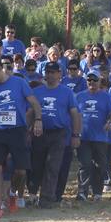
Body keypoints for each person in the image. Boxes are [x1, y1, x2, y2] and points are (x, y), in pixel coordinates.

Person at [0, 57, 41, 217]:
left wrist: (38, 121)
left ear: (1, 68)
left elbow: (35, 103)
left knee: (21, 171)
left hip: (18, 130)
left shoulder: (19, 83)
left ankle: (13, 191)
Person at [31, 63, 80, 207]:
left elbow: (75, 115)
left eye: (53, 72)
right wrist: (28, 129)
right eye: (48, 72)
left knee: (53, 165)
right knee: (37, 164)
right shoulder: (38, 92)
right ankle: (33, 194)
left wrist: (76, 135)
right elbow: (30, 112)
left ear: (59, 74)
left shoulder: (67, 92)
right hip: (40, 132)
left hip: (59, 133)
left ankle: (47, 198)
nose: (50, 75)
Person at [74, 73, 111, 201]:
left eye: (94, 80)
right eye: (89, 80)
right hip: (84, 137)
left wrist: (109, 122)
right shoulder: (79, 96)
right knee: (85, 164)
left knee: (100, 165)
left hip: (100, 137)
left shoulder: (106, 97)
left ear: (99, 82)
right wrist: (75, 133)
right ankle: (82, 192)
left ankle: (97, 192)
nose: (92, 83)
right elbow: (74, 115)